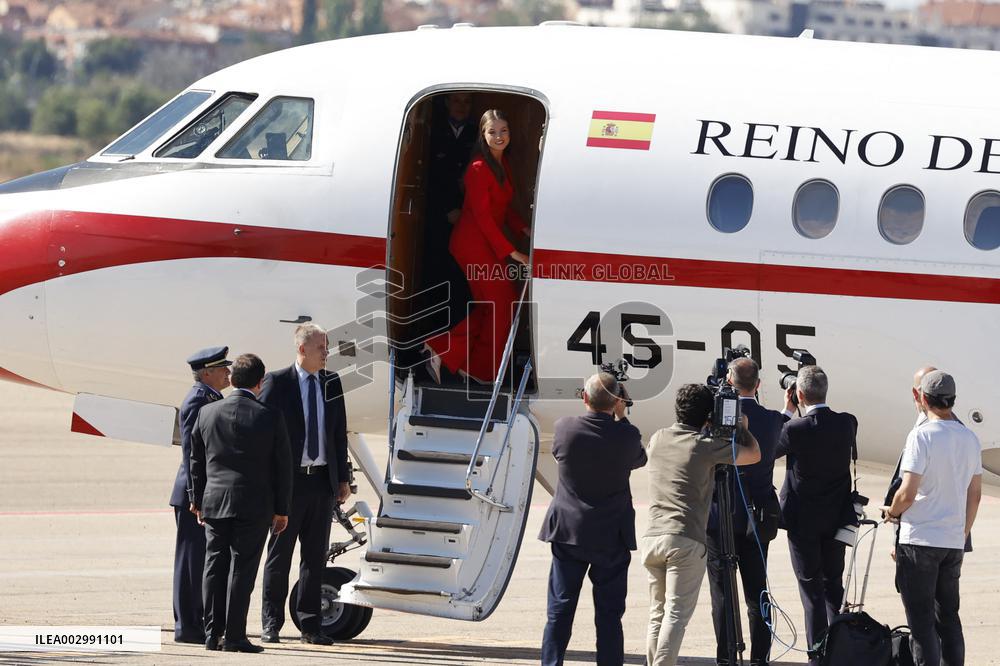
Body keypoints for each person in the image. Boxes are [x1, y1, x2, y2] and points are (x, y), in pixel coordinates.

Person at [643, 384, 761, 666]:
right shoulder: (704, 447)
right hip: (685, 539)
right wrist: (742, 427)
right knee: (676, 614)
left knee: (657, 612)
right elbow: (753, 454)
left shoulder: (658, 438)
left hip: (653, 537)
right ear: (708, 417)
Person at [538, 372, 646, 666]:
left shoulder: (564, 428)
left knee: (560, 610)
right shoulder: (628, 435)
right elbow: (640, 459)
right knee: (610, 616)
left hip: (569, 532)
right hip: (611, 536)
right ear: (617, 402)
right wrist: (622, 418)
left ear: (584, 398)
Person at [189, 353, 292, 653]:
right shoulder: (270, 416)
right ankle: (235, 635)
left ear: (232, 379)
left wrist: (196, 500)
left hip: (215, 501)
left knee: (214, 565)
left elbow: (196, 460)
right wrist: (282, 510)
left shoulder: (207, 413)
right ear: (260, 383)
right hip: (254, 504)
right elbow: (282, 467)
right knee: (242, 569)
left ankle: (212, 634)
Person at [882, 370, 982, 666]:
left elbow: (907, 492)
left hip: (920, 541)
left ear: (923, 398)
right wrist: (961, 533)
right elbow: (974, 495)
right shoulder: (969, 438)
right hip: (952, 542)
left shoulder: (921, 436)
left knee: (921, 624)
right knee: (949, 618)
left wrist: (892, 511)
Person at [260, 323, 352, 645]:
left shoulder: (332, 382)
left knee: (314, 559)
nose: (327, 354)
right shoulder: (277, 382)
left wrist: (343, 477)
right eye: (321, 348)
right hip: (289, 484)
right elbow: (264, 434)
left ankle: (311, 626)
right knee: (279, 557)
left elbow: (339, 432)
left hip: (321, 484)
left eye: (326, 348)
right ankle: (271, 623)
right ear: (302, 349)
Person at [424, 109, 531, 384]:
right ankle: (460, 358)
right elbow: (483, 218)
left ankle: (463, 360)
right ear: (483, 135)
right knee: (502, 303)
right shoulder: (478, 168)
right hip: (472, 244)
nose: (499, 136)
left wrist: (524, 228)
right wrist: (513, 252)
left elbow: (503, 209)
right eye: (492, 131)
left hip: (487, 243)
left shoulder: (501, 164)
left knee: (494, 306)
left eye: (503, 130)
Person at [774, 366, 858, 664]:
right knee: (833, 586)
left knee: (811, 591)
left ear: (798, 394)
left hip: (803, 521)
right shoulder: (848, 423)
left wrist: (787, 411)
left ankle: (817, 657)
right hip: (837, 518)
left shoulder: (795, 428)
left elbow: (771, 448)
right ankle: (839, 653)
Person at [706, 358, 785, 666]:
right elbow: (782, 423)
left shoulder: (715, 418)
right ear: (758, 385)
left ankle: (726, 658)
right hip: (757, 518)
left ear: (729, 382)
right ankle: (759, 659)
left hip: (721, 514)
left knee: (723, 594)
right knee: (757, 595)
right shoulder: (772, 419)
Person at [168, 346, 231, 644]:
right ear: (207, 373)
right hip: (196, 496)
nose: (228, 372)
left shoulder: (212, 398)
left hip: (203, 493)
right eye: (223, 368)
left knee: (200, 560)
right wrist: (198, 497)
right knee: (191, 562)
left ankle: (197, 621)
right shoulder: (198, 400)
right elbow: (191, 451)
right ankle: (188, 627)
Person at [419, 92, 476, 342]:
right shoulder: (431, 132)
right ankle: (430, 335)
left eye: (466, 102)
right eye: (456, 101)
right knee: (434, 273)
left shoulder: (478, 133)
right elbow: (427, 176)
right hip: (437, 217)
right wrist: (446, 209)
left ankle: (455, 336)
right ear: (446, 103)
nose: (461, 107)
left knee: (460, 280)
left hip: (468, 218)